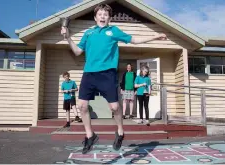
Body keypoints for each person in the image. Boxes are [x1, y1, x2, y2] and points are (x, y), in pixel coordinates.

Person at [61, 4, 167, 154]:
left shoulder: (113, 31)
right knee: (82, 106)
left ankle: (120, 131)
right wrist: (68, 37)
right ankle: (90, 136)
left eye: (105, 14)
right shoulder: (88, 33)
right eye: (100, 14)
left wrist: (155, 36)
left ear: (109, 18)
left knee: (115, 108)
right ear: (95, 17)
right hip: (89, 74)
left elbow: (134, 40)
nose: (102, 16)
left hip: (107, 74)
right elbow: (77, 51)